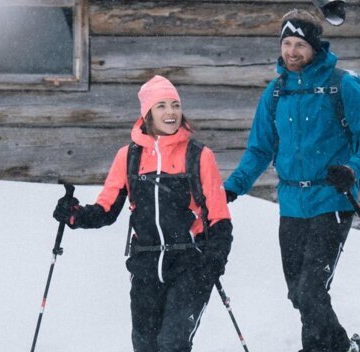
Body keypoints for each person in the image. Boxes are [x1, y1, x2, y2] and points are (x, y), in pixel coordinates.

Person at [224, 9, 360, 352]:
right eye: (287, 43)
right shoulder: (276, 93)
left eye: (300, 44)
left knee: (312, 289)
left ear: (315, 47)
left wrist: (352, 169)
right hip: (292, 204)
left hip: (333, 200)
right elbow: (259, 150)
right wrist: (232, 187)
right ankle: (340, 347)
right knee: (298, 292)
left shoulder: (341, 85)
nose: (292, 52)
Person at [53, 75, 233, 352]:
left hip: (189, 264)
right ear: (147, 112)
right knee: (145, 345)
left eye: (175, 104)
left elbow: (219, 217)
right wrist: (75, 215)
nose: (171, 112)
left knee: (172, 344)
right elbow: (106, 209)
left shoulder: (198, 155)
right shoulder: (129, 157)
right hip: (145, 264)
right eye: (161, 105)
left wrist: (213, 261)